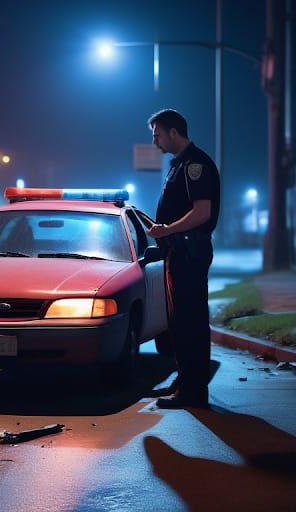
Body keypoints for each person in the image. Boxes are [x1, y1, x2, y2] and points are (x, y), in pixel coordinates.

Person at [146, 109, 220, 409]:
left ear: (174, 132)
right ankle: (186, 383)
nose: (156, 142)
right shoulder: (181, 164)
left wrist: (167, 229)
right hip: (180, 251)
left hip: (190, 251)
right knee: (180, 323)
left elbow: (202, 212)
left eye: (158, 135)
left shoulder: (195, 165)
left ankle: (192, 392)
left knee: (190, 323)